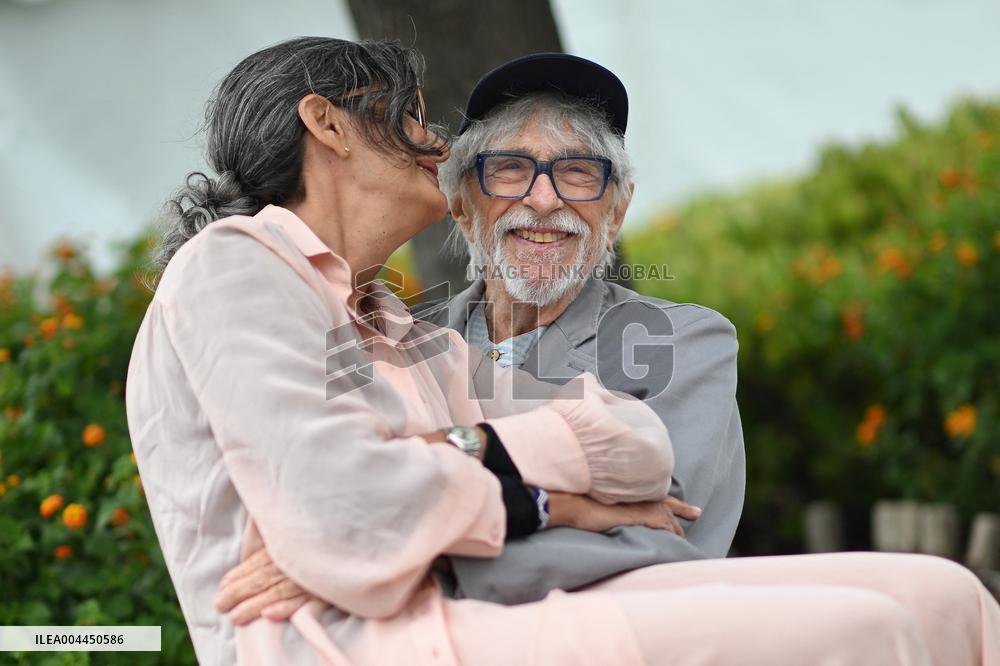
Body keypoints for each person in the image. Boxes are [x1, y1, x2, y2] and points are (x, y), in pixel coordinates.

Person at [127, 37, 1000, 665]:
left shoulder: (409, 330)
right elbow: (346, 509)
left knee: (949, 590)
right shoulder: (333, 301)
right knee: (872, 629)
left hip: (453, 599)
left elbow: (660, 504)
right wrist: (554, 497)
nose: (544, 201)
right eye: (508, 169)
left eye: (580, 174)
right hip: (396, 632)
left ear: (615, 213)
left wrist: (418, 513)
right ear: (463, 205)